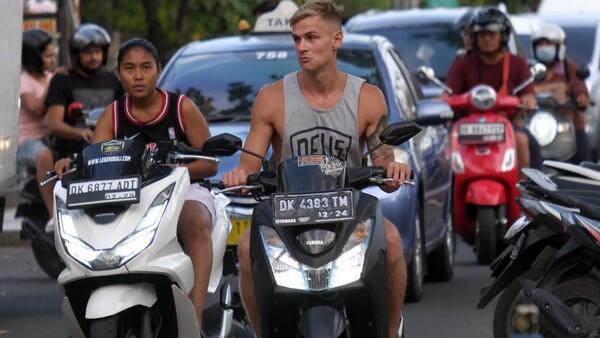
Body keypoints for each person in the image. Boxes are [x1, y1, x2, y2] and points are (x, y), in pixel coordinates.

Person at [222, 1, 411, 337]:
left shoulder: (367, 97)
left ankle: (391, 329)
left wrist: (392, 171)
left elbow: (382, 161)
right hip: (287, 214)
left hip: (350, 213)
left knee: (393, 241)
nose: (302, 47)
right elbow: (249, 163)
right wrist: (239, 176)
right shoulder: (272, 97)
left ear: (336, 39)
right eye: (297, 39)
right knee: (248, 247)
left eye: (311, 37)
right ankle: (261, 330)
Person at [55, 38, 217, 334]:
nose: (138, 75)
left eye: (146, 67)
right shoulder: (112, 115)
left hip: (183, 193)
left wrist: (175, 172)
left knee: (195, 220)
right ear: (118, 73)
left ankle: (194, 318)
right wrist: (70, 164)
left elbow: (209, 163)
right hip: (130, 197)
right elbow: (94, 162)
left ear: (158, 70)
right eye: (129, 68)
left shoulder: (182, 108)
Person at [41, 23, 123, 231]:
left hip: (108, 149)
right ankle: (58, 220)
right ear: (76, 54)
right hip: (70, 150)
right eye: (88, 52)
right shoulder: (63, 80)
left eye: (98, 51)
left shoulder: (113, 80)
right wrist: (80, 132)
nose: (94, 57)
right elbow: (54, 122)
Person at [445, 7, 542, 170]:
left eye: (492, 34)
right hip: (467, 128)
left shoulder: (517, 63)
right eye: (482, 35)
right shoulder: (462, 63)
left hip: (508, 126)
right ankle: (452, 193)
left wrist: (528, 100)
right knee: (443, 152)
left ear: (503, 36)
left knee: (524, 142)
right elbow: (446, 95)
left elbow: (529, 95)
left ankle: (524, 189)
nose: (487, 39)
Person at [531, 22, 591, 162]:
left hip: (568, 123)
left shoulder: (569, 69)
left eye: (548, 44)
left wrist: (581, 98)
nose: (544, 47)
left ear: (559, 47)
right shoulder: (531, 70)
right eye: (540, 44)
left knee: (585, 161)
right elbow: (524, 89)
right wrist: (553, 88)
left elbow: (579, 88)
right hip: (538, 124)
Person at [18, 29, 55, 177]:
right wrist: (53, 85)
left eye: (53, 54)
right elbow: (37, 111)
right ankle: (50, 200)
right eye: (47, 56)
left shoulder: (51, 76)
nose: (52, 59)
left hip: (52, 138)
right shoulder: (23, 82)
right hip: (28, 141)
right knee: (44, 157)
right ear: (33, 57)